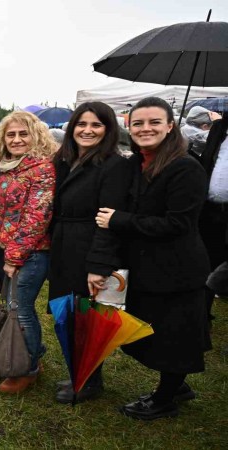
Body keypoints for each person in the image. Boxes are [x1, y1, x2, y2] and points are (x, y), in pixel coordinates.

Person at [96, 97, 210, 420]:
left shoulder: (186, 168)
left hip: (177, 270)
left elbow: (178, 224)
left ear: (170, 126)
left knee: (173, 338)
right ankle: (176, 385)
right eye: (139, 123)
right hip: (148, 268)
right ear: (129, 127)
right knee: (154, 333)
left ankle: (165, 398)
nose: (146, 128)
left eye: (154, 122)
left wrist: (119, 219)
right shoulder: (137, 163)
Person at [48, 102, 133, 403]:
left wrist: (98, 265)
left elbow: (108, 221)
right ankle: (79, 372)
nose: (87, 130)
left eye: (96, 125)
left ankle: (88, 380)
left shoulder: (114, 166)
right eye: (81, 124)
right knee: (67, 315)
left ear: (108, 130)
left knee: (87, 319)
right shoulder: (65, 159)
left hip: (89, 250)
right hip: (63, 246)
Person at [0, 111, 56, 394]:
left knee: (21, 310)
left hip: (31, 253)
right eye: (11, 134)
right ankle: (32, 353)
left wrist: (15, 258)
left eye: (23, 134)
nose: (16, 139)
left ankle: (27, 368)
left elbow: (36, 218)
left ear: (36, 136)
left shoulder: (41, 169)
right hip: (9, 249)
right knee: (15, 305)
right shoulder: (9, 167)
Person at [198, 113, 228, 325]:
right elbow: (207, 160)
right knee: (206, 262)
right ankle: (202, 314)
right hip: (210, 210)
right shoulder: (218, 128)